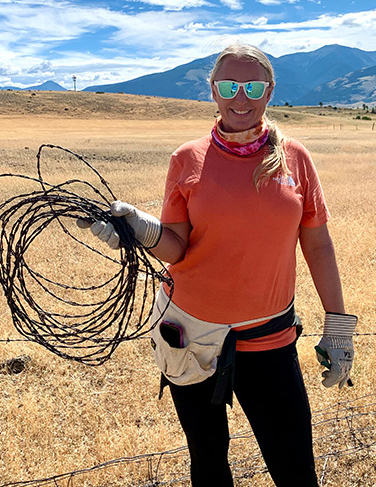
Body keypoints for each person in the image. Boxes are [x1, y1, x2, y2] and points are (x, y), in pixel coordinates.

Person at [80, 44, 357, 487]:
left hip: (270, 338)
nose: (240, 97)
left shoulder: (296, 159)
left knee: (295, 468)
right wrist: (138, 231)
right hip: (191, 335)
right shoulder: (186, 159)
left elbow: (318, 244)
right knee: (208, 464)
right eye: (229, 86)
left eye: (254, 86)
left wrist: (338, 328)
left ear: (270, 92)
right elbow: (175, 247)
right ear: (213, 90)